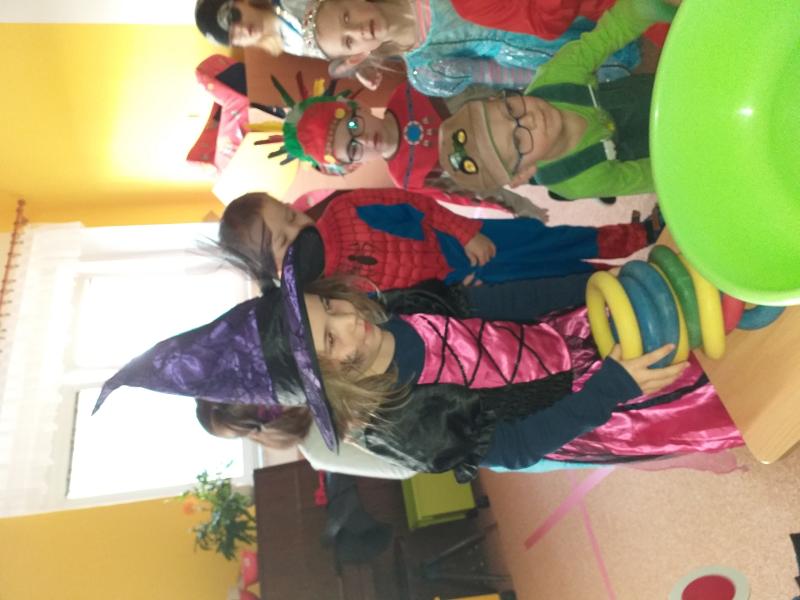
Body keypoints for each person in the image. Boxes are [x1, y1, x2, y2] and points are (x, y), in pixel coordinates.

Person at [94, 229, 743, 480]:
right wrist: (612, 390)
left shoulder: (396, 310)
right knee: (732, 389)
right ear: (325, 384)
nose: (350, 319)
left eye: (331, 307)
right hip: (597, 405)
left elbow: (501, 305)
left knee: (712, 307)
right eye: (331, 339)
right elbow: (518, 448)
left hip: (573, 330)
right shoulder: (404, 425)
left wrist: (596, 285)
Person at [438, 0, 677, 200]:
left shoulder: (555, 80)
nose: (529, 119)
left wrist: (649, 7)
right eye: (518, 140)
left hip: (667, 92)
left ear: (498, 96)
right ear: (523, 173)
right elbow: (664, 176)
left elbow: (610, 32)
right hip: (675, 148)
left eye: (510, 109)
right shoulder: (576, 181)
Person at [217, 190, 662, 291]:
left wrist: (466, 231)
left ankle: (635, 235)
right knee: (554, 281)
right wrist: (458, 300)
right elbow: (402, 315)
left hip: (464, 242)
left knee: (547, 242)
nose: (299, 230)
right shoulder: (328, 297)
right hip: (464, 285)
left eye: (291, 216)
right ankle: (635, 281)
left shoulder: (343, 210)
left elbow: (413, 204)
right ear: (274, 272)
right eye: (283, 241)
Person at [254, 75, 547, 219]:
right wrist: (523, 208)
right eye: (353, 149)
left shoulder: (409, 93)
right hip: (525, 165)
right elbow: (470, 193)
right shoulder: (407, 176)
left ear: (359, 106)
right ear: (353, 164)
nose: (364, 140)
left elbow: (477, 83)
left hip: (533, 105)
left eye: (353, 126)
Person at [303, 0, 641, 97]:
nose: (357, 29)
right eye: (349, 40)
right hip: (536, 50)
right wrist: (550, 78)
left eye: (346, 16)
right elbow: (498, 74)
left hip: (532, 6)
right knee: (615, 42)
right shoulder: (426, 70)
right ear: (357, 55)